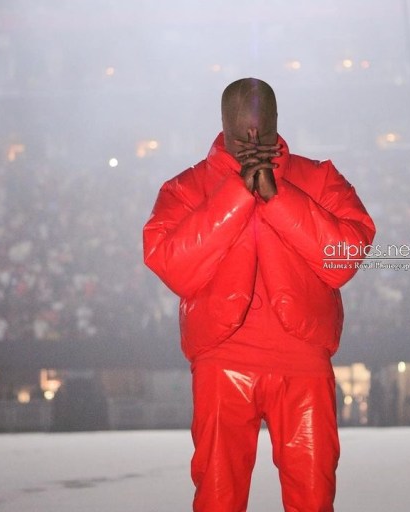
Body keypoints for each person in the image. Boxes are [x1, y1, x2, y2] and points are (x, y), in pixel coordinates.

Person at [143, 78, 376, 511]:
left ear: (276, 125)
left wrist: (279, 197)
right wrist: (236, 193)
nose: (252, 144)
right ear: (221, 127)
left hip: (303, 360)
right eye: (240, 137)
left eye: (262, 135)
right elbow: (173, 265)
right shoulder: (185, 188)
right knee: (218, 496)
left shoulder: (318, 178)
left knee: (313, 495)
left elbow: (344, 259)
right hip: (222, 361)